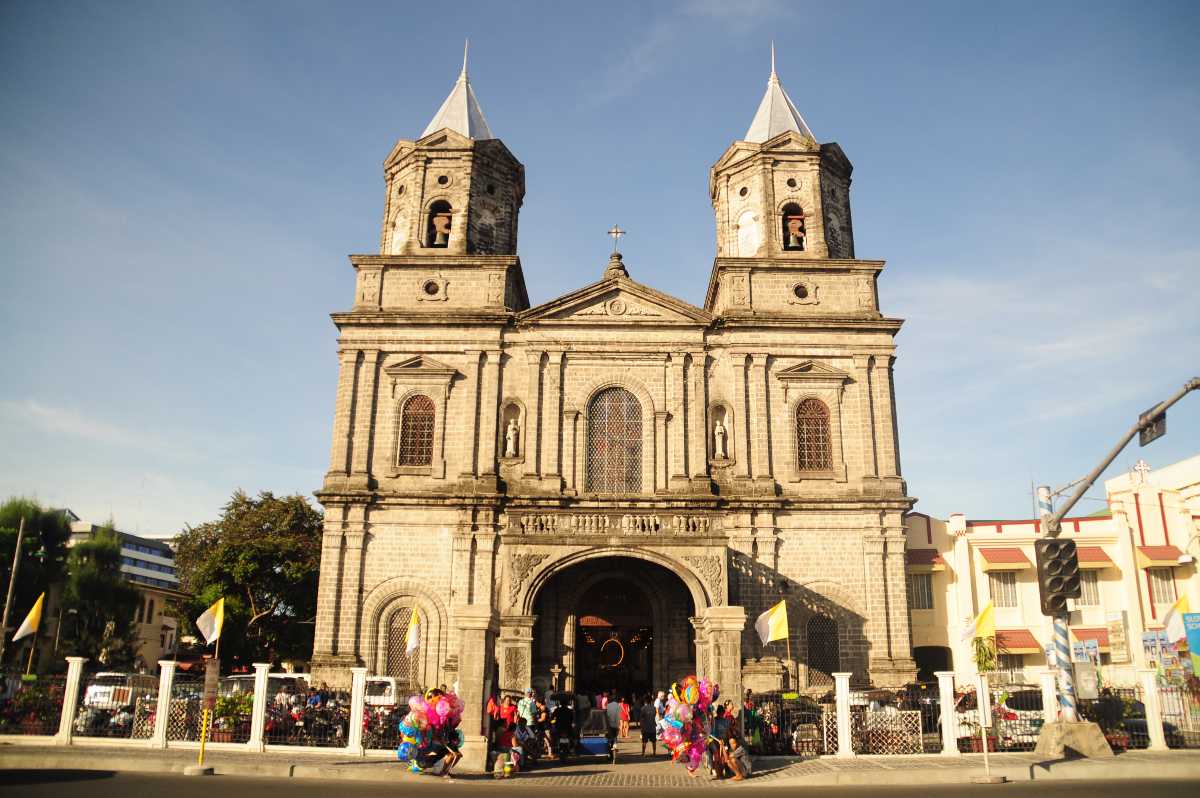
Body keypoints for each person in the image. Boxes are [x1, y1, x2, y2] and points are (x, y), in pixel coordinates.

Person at [604, 691, 623, 763]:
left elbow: (606, 716)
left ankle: (609, 755)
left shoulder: (608, 706)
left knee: (608, 740)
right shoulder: (618, 706)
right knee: (615, 739)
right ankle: (614, 749)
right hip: (616, 725)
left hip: (609, 726)